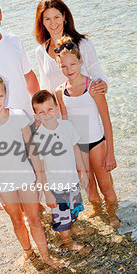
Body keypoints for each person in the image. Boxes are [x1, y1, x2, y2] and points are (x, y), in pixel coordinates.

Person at [0, 73, 62, 269]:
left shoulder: (18, 116)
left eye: (0, 96)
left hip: (25, 177)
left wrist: (41, 180)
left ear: (6, 94)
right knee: (16, 220)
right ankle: (28, 252)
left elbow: (33, 151)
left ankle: (46, 257)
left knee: (35, 219)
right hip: (3, 182)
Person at [34, 0, 109, 215]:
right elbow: (45, 86)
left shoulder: (82, 44)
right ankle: (97, 211)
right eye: (47, 19)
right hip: (63, 121)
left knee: (102, 173)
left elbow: (96, 71)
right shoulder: (41, 51)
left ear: (64, 16)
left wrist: (103, 84)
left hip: (86, 114)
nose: (53, 22)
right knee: (83, 174)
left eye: (57, 16)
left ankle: (113, 212)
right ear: (42, 22)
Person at [54, 36, 120, 228]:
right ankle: (97, 210)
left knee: (105, 184)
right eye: (64, 66)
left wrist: (110, 152)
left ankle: (113, 215)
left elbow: (106, 121)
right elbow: (65, 125)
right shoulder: (60, 92)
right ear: (59, 66)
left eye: (72, 64)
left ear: (80, 62)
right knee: (89, 184)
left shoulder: (93, 86)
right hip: (78, 147)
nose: (69, 70)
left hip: (97, 143)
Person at [32, 90, 92, 254]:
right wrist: (47, 192)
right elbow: (41, 168)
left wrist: (83, 172)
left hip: (72, 180)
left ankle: (72, 228)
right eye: (41, 112)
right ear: (36, 115)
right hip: (55, 187)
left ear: (57, 108)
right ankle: (67, 241)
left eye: (50, 109)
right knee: (61, 216)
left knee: (74, 208)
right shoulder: (39, 137)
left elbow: (76, 149)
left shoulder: (67, 126)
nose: (47, 114)